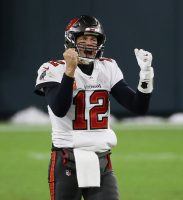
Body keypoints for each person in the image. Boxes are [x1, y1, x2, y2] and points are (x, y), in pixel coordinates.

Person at [34, 15, 154, 200]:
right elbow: (59, 108)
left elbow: (137, 107)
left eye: (93, 39)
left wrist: (146, 76)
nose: (89, 43)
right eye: (83, 39)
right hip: (67, 157)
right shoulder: (52, 69)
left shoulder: (108, 67)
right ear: (71, 40)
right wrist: (69, 72)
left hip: (101, 157)